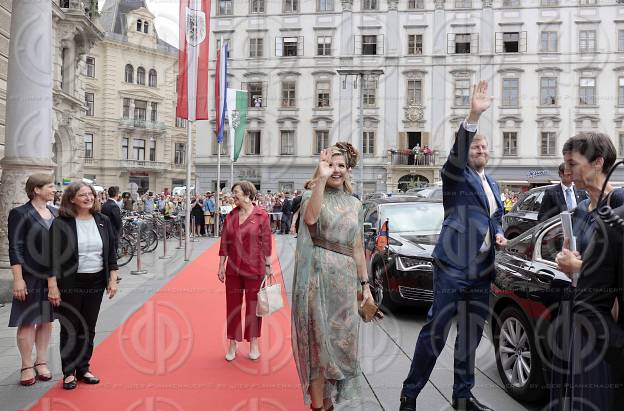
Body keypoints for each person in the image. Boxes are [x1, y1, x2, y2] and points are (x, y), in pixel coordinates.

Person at [400, 81, 505, 411]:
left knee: (471, 337)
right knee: (437, 332)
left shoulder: (492, 183)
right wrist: (473, 115)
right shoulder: (456, 175)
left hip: (482, 269)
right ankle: (410, 394)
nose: (479, 151)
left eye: (484, 148)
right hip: (453, 266)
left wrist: (498, 232)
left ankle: (462, 397)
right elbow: (459, 155)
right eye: (475, 147)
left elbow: (495, 216)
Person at [291, 142, 374, 411]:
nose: (336, 170)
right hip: (317, 279)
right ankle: (318, 405)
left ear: (349, 170)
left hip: (346, 284)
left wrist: (365, 285)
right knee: (318, 347)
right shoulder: (310, 196)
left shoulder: (355, 204)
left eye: (341, 166)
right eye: (331, 165)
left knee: (343, 346)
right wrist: (321, 179)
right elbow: (312, 219)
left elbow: (358, 246)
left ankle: (329, 401)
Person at [551, 132, 624, 410]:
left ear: (597, 163)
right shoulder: (581, 209)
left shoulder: (620, 204)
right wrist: (566, 259)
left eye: (572, 163)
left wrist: (580, 266)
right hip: (579, 313)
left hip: (607, 325)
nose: (566, 171)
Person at [47, 182, 118, 390]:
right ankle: (69, 372)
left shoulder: (102, 220)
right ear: (71, 199)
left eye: (91, 194)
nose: (89, 198)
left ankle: (83, 368)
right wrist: (52, 286)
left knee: (88, 327)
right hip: (70, 282)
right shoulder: (62, 223)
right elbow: (51, 258)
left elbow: (111, 253)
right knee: (70, 327)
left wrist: (112, 279)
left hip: (96, 281)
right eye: (83, 195)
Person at [8, 174, 57, 386]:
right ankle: (26, 365)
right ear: (36, 189)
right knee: (27, 321)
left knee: (46, 321)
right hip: (29, 275)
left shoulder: (56, 213)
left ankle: (41, 361)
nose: (54, 189)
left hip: (52, 277)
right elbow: (15, 247)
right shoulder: (20, 213)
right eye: (50, 186)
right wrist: (18, 279)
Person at [217, 181, 272, 361]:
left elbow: (266, 242)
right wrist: (220, 266)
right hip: (233, 268)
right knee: (232, 307)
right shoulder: (230, 216)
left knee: (253, 308)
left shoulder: (261, 215)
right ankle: (232, 343)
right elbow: (225, 242)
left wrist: (269, 266)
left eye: (236, 193)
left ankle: (254, 343)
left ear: (248, 194)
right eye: (233, 193)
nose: (233, 196)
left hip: (255, 269)